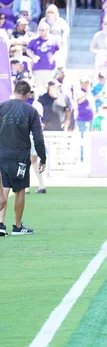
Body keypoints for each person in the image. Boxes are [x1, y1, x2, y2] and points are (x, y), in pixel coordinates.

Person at [0, 80, 45, 236]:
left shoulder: (2, 106)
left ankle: (0, 225)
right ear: (27, 94)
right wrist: (43, 157)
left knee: (4, 187)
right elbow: (38, 138)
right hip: (20, 156)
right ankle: (17, 226)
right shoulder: (31, 111)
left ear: (15, 91)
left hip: (2, 154)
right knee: (19, 189)